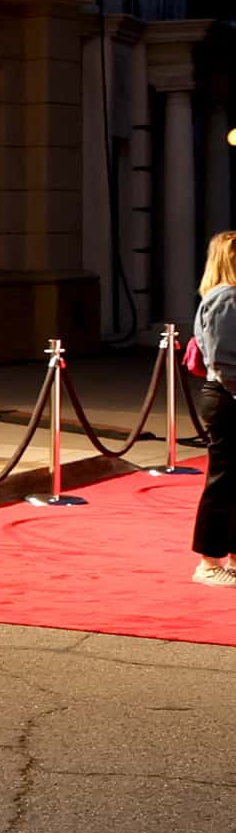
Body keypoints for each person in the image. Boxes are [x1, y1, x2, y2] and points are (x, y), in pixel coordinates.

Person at [190, 230, 236, 588]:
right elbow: (224, 360)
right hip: (227, 395)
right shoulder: (226, 299)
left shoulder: (222, 297)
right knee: (222, 480)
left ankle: (233, 556)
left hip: (227, 393)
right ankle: (208, 562)